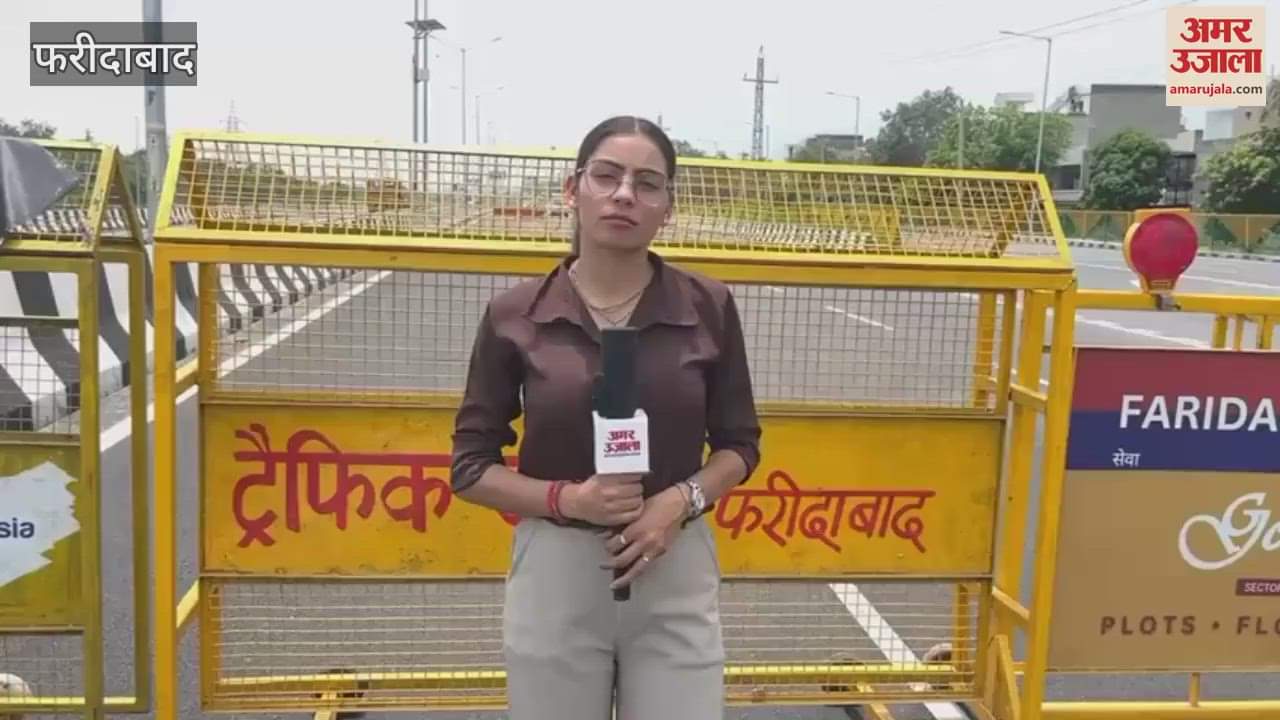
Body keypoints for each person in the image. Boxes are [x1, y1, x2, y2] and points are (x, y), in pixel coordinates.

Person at [449, 115, 762, 720]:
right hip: (556, 572)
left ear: (667, 207)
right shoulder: (516, 314)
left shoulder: (708, 306)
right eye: (607, 176)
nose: (624, 194)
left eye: (648, 183)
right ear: (574, 190)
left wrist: (680, 501)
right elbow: (470, 467)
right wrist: (570, 499)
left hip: (674, 563)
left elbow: (740, 444)